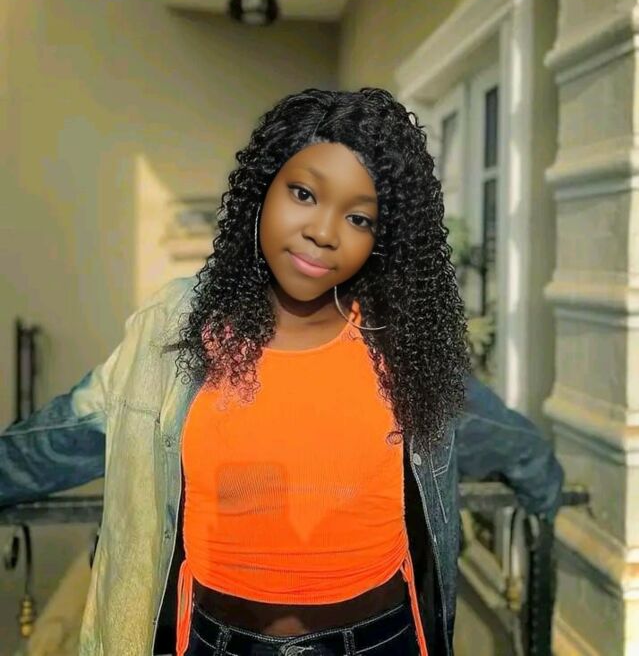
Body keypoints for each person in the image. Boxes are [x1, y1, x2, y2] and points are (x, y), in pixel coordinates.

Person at [0, 88, 564, 656]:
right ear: (262, 189)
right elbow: (64, 434)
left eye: (359, 217)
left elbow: (497, 434)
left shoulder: (400, 341)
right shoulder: (176, 328)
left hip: (379, 641)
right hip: (214, 643)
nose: (323, 231)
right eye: (303, 193)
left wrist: (545, 486)